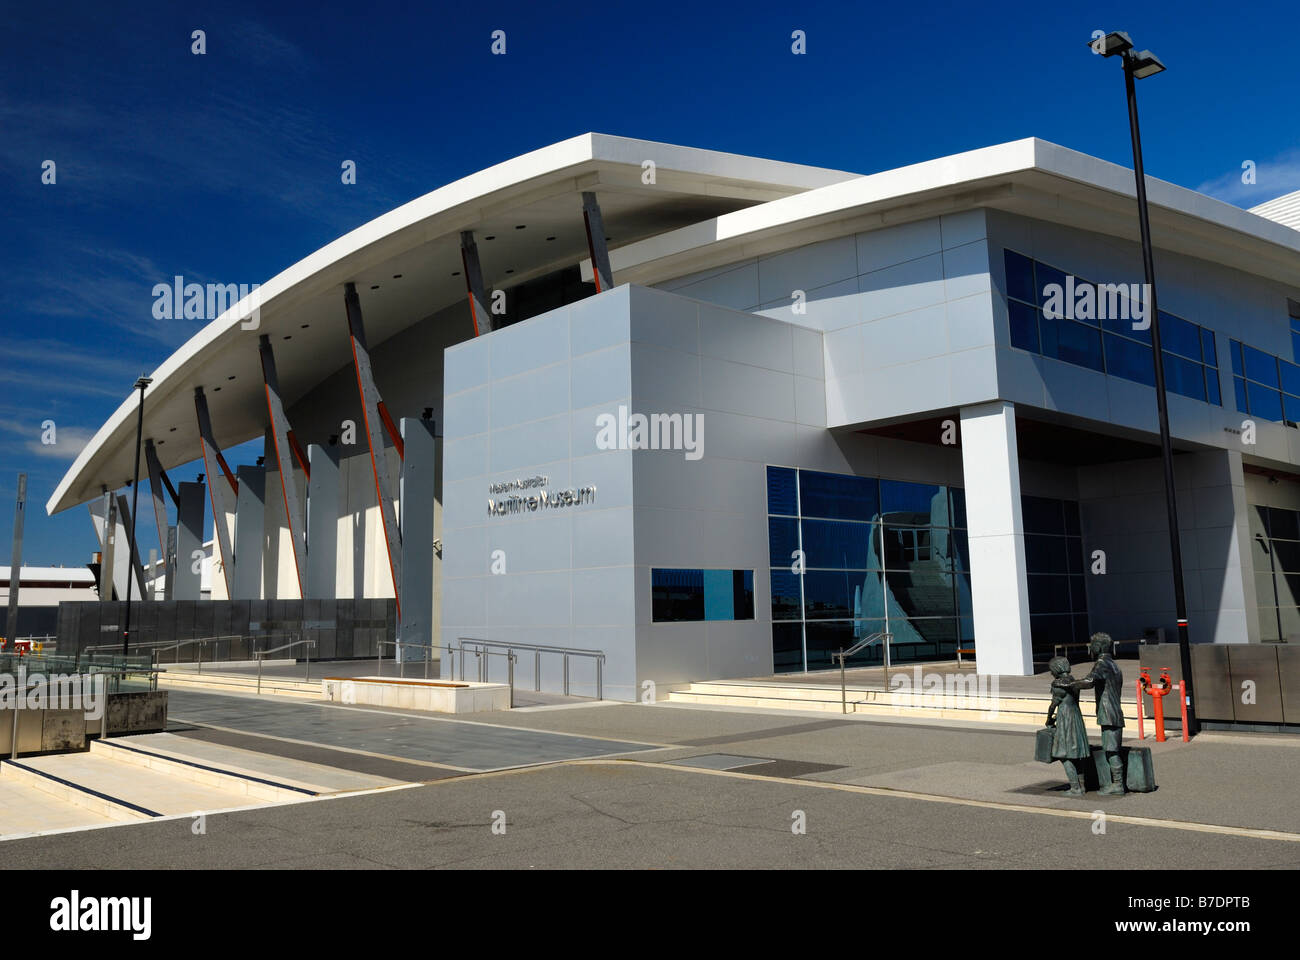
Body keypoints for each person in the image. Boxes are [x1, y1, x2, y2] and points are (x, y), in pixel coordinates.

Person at [1073, 632, 1125, 795]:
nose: (1091, 647)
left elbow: (1089, 682)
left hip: (1108, 712)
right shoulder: (1114, 664)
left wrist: (1069, 684)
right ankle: (1116, 783)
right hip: (1113, 710)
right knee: (1111, 748)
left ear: (1101, 646)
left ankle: (1118, 785)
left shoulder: (1102, 663)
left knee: (1111, 749)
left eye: (1093, 644)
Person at [1045, 656, 1090, 796]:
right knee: (1077, 754)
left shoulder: (1058, 684)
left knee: (1064, 755)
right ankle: (1082, 786)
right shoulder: (1073, 681)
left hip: (1066, 718)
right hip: (1076, 716)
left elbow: (1054, 704)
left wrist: (1048, 719)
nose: (1051, 673)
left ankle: (1075, 788)